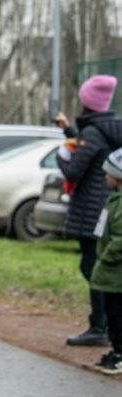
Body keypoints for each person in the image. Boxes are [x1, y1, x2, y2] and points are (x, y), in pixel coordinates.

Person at [55, 75, 122, 347]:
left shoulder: (93, 132)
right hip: (106, 206)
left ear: (86, 101)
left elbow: (74, 170)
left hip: (91, 209)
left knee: (93, 267)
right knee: (101, 264)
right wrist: (70, 132)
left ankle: (100, 325)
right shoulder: (109, 129)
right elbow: (94, 152)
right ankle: (105, 322)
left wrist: (61, 156)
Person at [88, 149, 122, 373]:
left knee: (118, 313)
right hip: (112, 271)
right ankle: (116, 348)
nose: (105, 177)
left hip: (116, 270)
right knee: (112, 311)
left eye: (107, 174)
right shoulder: (114, 199)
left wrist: (107, 256)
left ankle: (120, 354)